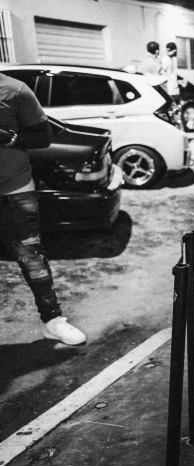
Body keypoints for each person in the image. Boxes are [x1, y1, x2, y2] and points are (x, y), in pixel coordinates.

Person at [0, 72, 86, 346]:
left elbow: (43, 136)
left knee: (31, 256)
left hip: (14, 187)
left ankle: (53, 321)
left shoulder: (15, 90)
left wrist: (9, 138)